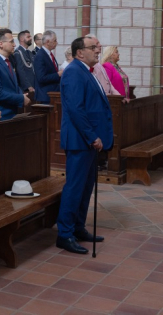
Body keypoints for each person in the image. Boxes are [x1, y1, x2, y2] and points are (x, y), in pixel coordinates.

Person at [56, 36, 113, 254]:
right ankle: (65, 233)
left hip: (87, 141)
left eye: (98, 47)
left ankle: (78, 227)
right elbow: (75, 109)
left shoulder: (85, 71)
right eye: (93, 48)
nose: (98, 50)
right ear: (80, 52)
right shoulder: (73, 72)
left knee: (86, 187)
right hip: (80, 140)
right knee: (75, 187)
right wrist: (92, 136)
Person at [0, 28, 29, 120]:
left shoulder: (8, 60)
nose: (14, 44)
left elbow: (13, 84)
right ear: (1, 44)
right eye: (11, 42)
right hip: (2, 114)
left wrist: (22, 95)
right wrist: (20, 98)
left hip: (12, 111)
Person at [33, 30, 62, 104]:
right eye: (55, 40)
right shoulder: (40, 56)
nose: (57, 43)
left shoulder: (49, 54)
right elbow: (41, 78)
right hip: (45, 95)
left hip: (53, 93)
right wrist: (58, 74)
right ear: (48, 42)